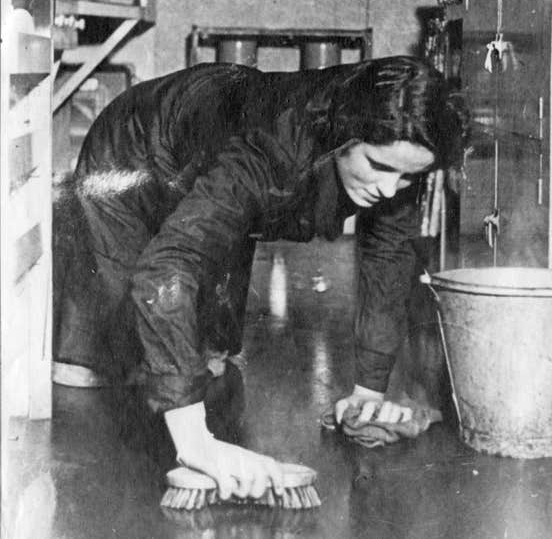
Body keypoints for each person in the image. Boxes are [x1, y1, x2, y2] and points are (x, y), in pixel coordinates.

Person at [53, 55, 459, 501]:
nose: (388, 189)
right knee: (99, 364)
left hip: (209, 143)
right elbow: (166, 269)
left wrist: (369, 392)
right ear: (342, 134)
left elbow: (388, 258)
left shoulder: (395, 142)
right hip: (134, 152)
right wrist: (196, 445)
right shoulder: (270, 149)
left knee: (210, 358)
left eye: (408, 177)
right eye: (380, 167)